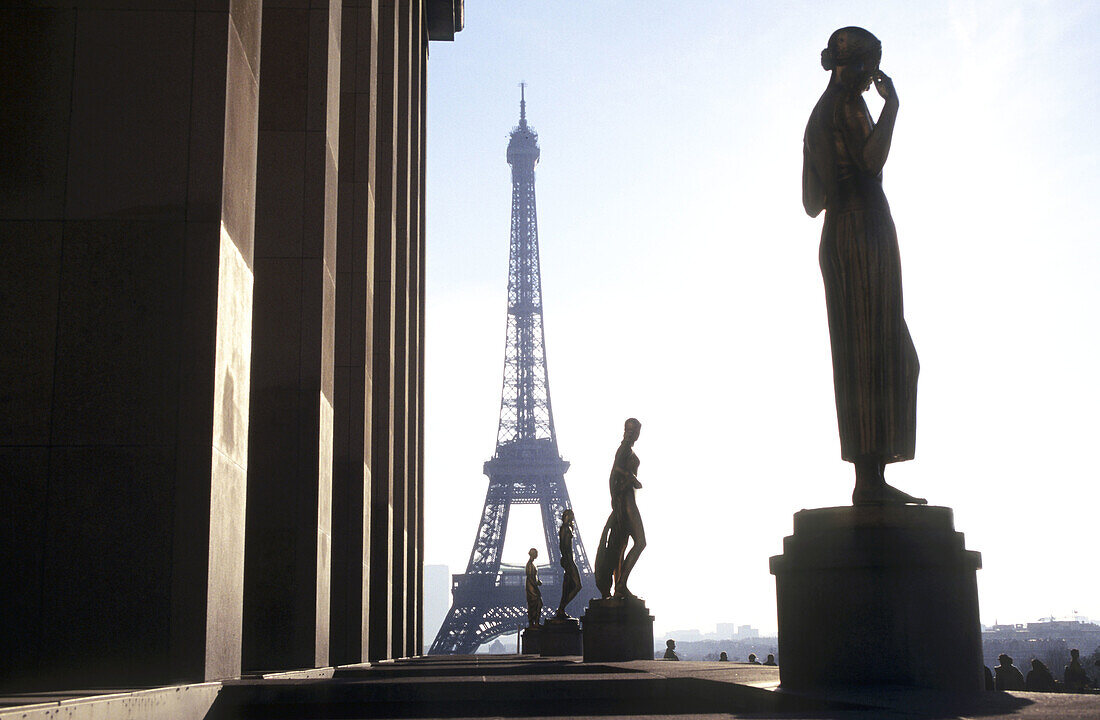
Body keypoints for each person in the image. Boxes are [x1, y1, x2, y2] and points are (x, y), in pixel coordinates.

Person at [802, 27, 925, 506]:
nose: (875, 75)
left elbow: (812, 202)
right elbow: (871, 162)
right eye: (872, 65)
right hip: (866, 230)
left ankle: (868, 477)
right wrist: (892, 107)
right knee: (885, 351)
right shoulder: (849, 105)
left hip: (837, 236)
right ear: (852, 65)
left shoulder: (815, 116)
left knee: (859, 354)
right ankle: (871, 479)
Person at [594, 418, 646, 598]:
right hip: (627, 501)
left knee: (621, 546)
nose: (633, 434)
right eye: (631, 430)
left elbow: (613, 476)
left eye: (635, 431)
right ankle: (621, 584)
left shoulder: (627, 449)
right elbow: (615, 469)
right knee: (640, 542)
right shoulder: (624, 448)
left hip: (625, 500)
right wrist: (632, 478)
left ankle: (620, 586)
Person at [554, 509, 581, 619]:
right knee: (577, 586)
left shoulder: (566, 528)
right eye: (572, 515)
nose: (573, 516)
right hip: (569, 560)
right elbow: (564, 546)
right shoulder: (565, 528)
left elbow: (562, 546)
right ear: (567, 516)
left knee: (568, 586)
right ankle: (561, 608)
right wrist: (566, 559)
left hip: (568, 560)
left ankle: (561, 608)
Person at [524, 548, 542, 628]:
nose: (537, 555)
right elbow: (531, 577)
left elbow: (532, 576)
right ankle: (534, 623)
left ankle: (534, 622)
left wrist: (537, 582)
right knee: (537, 604)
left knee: (535, 605)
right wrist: (536, 583)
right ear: (533, 554)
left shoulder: (531, 564)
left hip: (532, 586)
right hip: (532, 588)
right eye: (536, 553)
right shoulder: (530, 564)